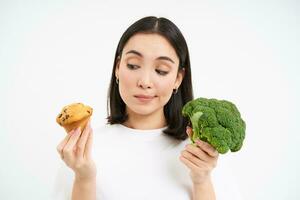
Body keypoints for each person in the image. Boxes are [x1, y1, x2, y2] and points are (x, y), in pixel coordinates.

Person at [53, 16, 243, 200]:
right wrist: (84, 178)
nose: (145, 82)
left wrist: (201, 181)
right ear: (118, 67)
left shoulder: (202, 153)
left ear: (178, 78)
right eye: (133, 65)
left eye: (161, 70)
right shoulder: (84, 152)